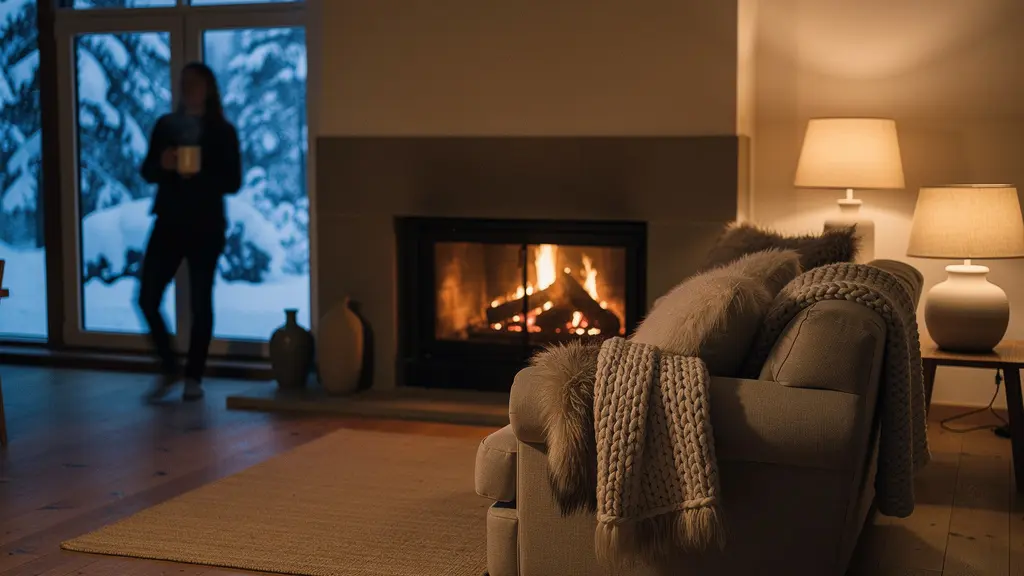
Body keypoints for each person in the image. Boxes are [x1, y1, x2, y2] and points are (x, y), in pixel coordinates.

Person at [138, 62, 242, 402]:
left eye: (195, 84)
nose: (189, 90)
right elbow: (147, 171)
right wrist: (163, 164)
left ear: (208, 89)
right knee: (147, 296)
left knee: (201, 301)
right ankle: (169, 366)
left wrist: (200, 173)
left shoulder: (222, 132)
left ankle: (194, 376)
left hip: (205, 225)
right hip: (169, 222)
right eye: (184, 84)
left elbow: (233, 181)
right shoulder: (166, 127)